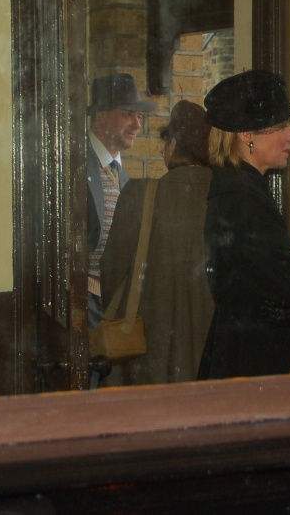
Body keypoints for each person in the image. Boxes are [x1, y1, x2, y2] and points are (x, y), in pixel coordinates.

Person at [198, 70, 290, 380]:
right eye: (281, 126)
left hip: (244, 355)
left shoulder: (238, 189)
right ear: (247, 134)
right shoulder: (243, 197)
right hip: (257, 362)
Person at [100, 100, 215, 385]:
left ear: (173, 145)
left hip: (145, 357)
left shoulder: (140, 195)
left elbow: (111, 273)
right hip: (213, 360)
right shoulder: (228, 199)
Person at [86, 72, 156, 329]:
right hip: (81, 302)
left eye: (139, 116)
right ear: (101, 117)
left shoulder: (121, 176)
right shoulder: (77, 165)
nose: (137, 124)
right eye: (128, 114)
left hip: (112, 304)